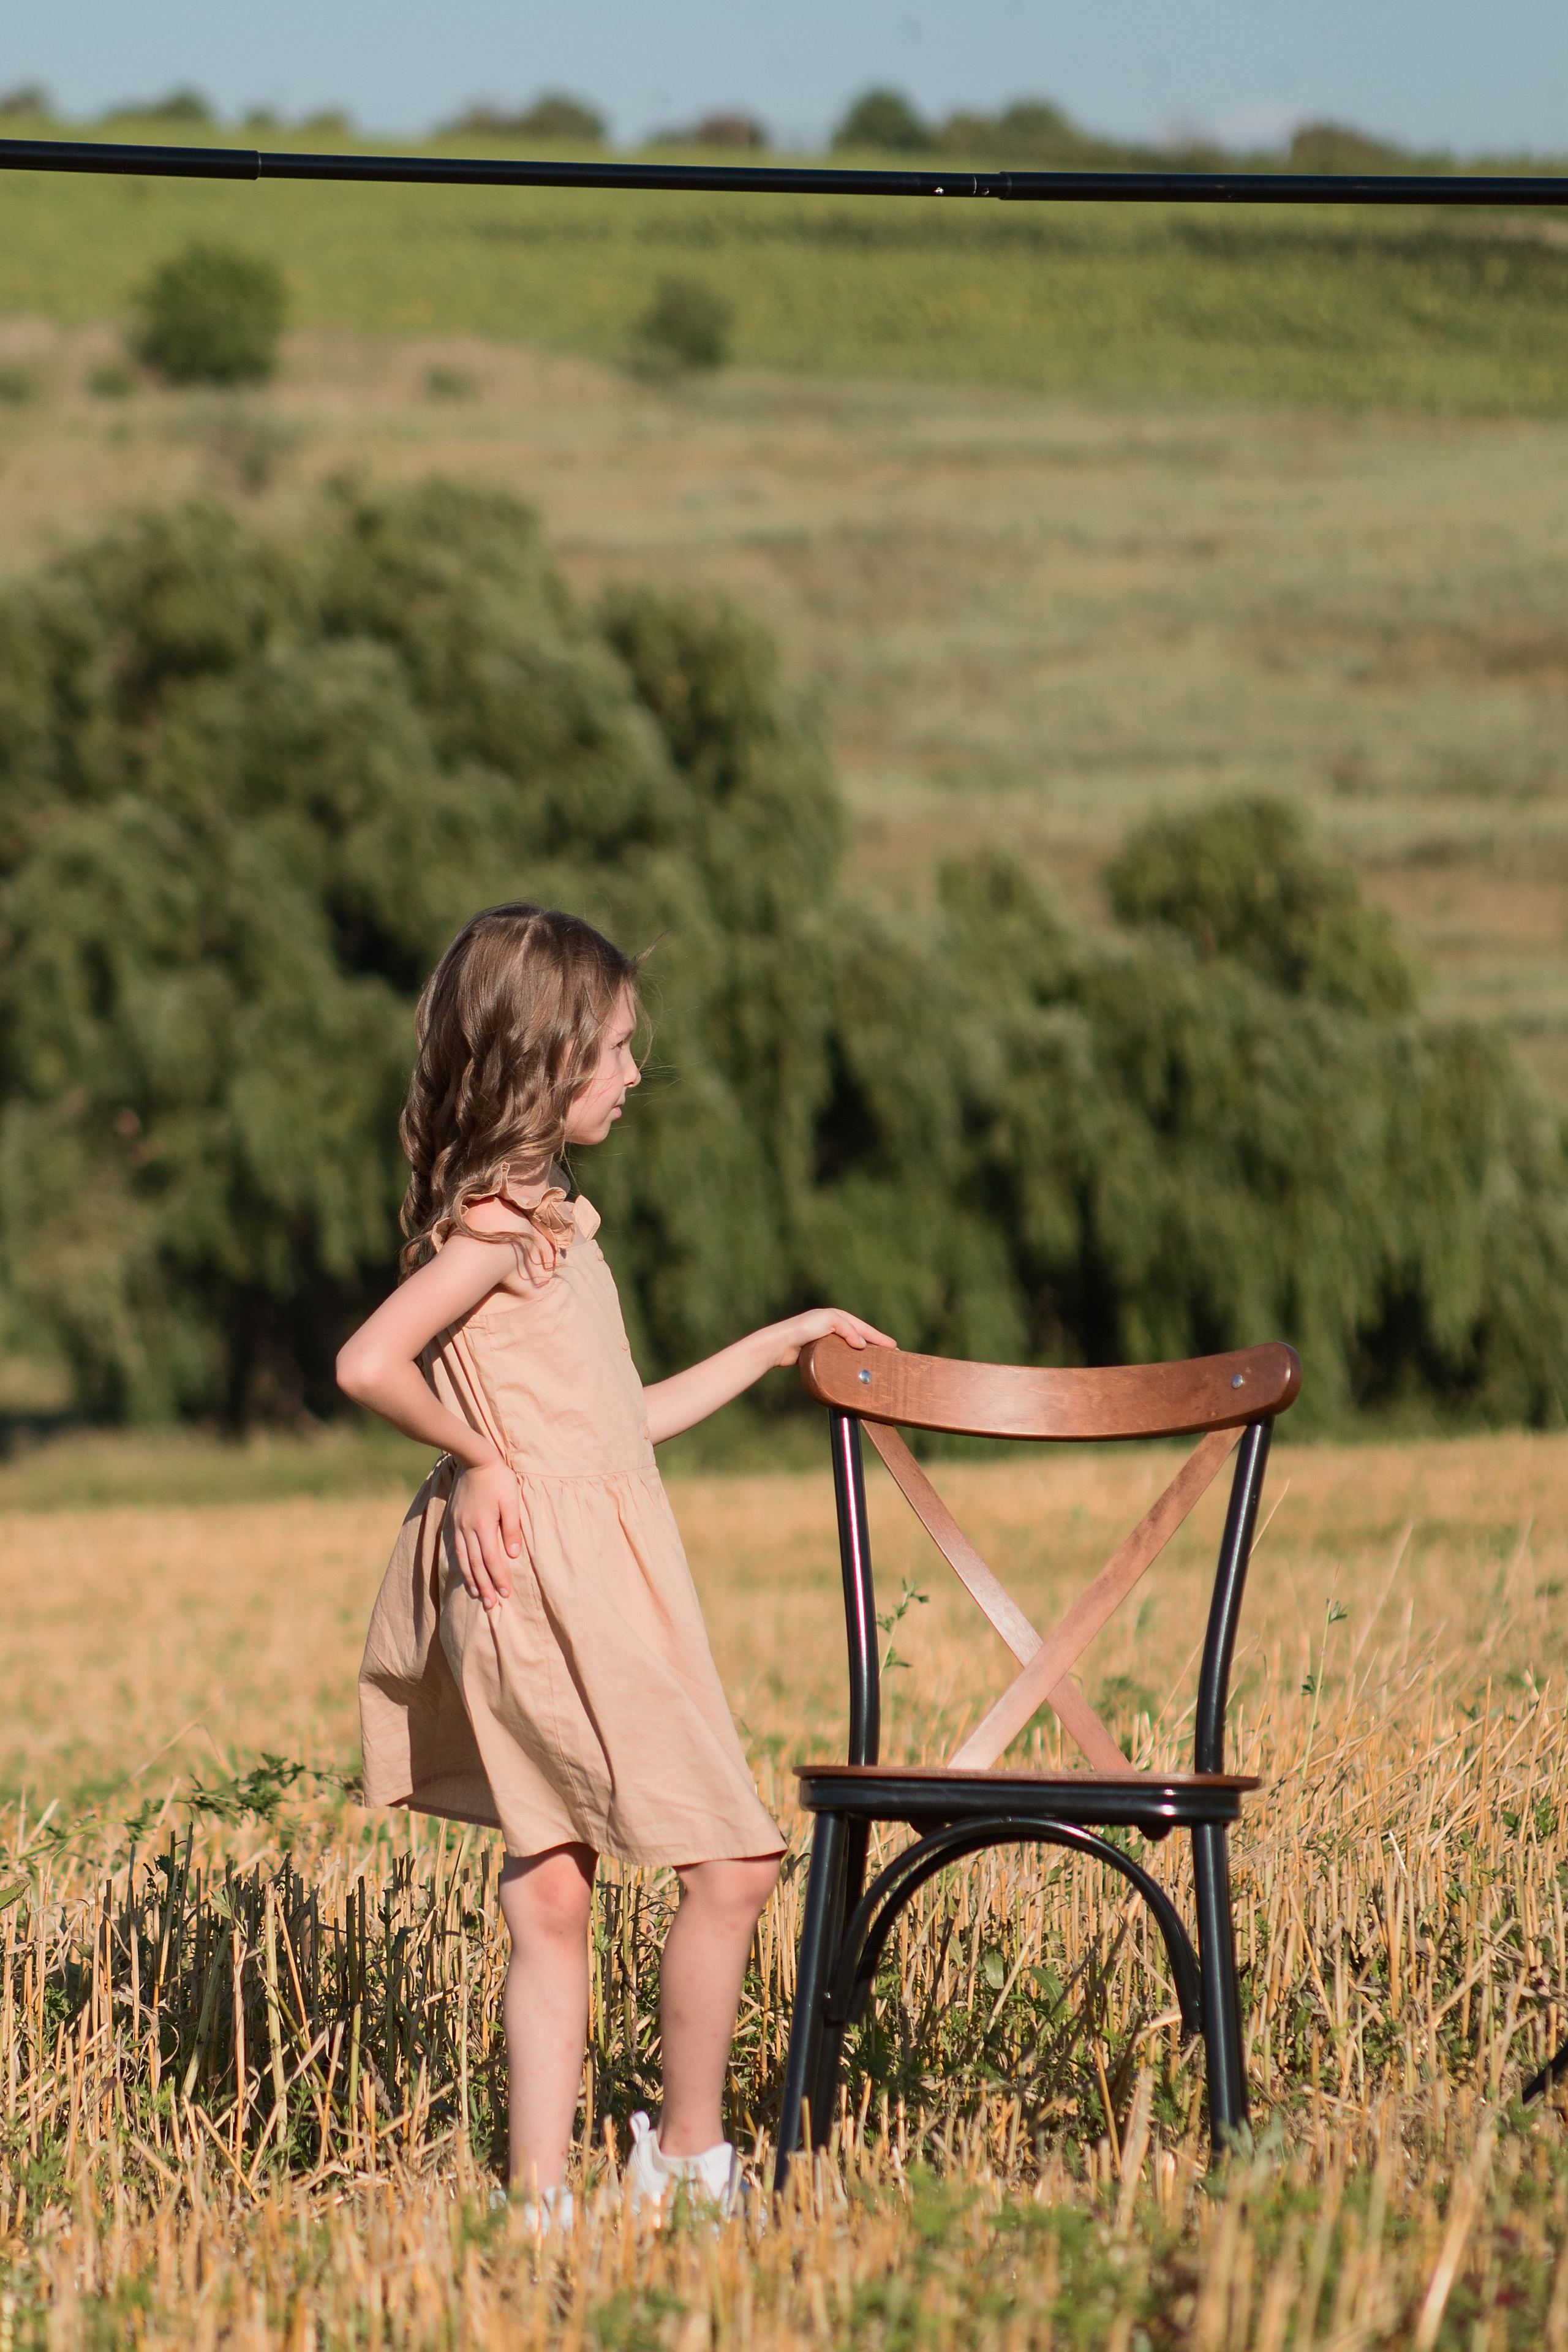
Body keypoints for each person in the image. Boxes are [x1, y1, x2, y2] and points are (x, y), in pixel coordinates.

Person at [338, 902, 894, 2228]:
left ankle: (538, 2202)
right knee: (733, 1863)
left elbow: (612, 1421)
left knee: (551, 1883)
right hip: (547, 1581)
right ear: (545, 1060)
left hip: (566, 1557)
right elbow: (368, 1363)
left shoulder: (546, 1227)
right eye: (618, 1051)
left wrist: (776, 1341)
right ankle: (687, 2165)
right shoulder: (494, 1233)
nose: (636, 1074)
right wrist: (478, 1457)